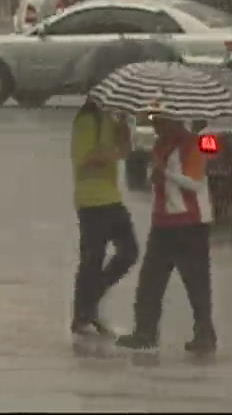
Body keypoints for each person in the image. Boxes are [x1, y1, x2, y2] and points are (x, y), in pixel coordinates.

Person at [116, 113, 218, 354]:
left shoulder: (193, 145)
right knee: (150, 281)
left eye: (161, 122)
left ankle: (205, 335)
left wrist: (166, 174)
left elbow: (195, 181)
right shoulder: (160, 145)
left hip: (190, 223)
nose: (156, 126)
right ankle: (145, 332)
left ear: (175, 121)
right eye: (154, 121)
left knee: (196, 283)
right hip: (163, 222)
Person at [70, 97, 139, 337]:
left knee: (129, 252)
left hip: (112, 198)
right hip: (90, 200)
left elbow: (127, 151)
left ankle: (90, 301)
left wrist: (124, 129)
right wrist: (111, 154)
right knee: (92, 258)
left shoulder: (113, 119)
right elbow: (83, 158)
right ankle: (82, 316)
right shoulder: (87, 121)